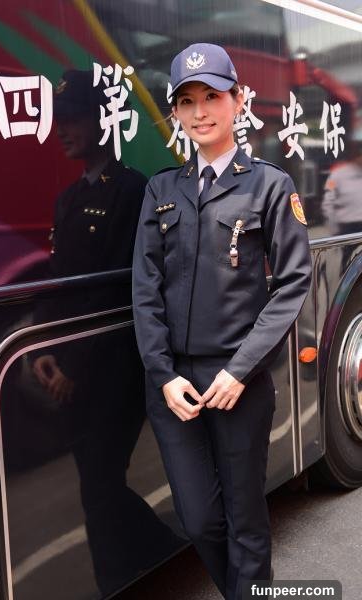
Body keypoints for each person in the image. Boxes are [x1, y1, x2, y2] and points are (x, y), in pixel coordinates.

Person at [132, 43, 312, 599]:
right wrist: (162, 374)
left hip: (239, 382)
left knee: (246, 520)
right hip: (175, 387)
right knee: (199, 520)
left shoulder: (269, 185)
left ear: (238, 100)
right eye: (187, 101)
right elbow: (145, 290)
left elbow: (293, 283)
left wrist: (240, 370)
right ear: (176, 112)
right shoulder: (162, 189)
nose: (200, 111)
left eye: (212, 96)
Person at [31, 70, 182, 596]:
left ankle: (125, 572)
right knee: (97, 486)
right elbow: (61, 283)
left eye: (73, 119)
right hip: (75, 366)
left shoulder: (133, 190)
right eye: (60, 120)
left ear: (101, 122)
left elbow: (120, 291)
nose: (63, 130)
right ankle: (155, 553)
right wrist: (44, 346)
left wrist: (73, 367)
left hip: (117, 369)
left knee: (98, 487)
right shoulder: (68, 198)